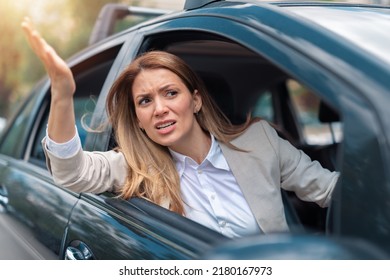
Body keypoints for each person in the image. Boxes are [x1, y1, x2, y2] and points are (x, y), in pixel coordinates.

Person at [21, 18, 339, 238]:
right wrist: (62, 93)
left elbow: (329, 190)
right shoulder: (134, 166)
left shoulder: (260, 141)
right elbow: (70, 172)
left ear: (196, 100)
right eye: (145, 101)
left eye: (170, 93)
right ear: (139, 120)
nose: (160, 109)